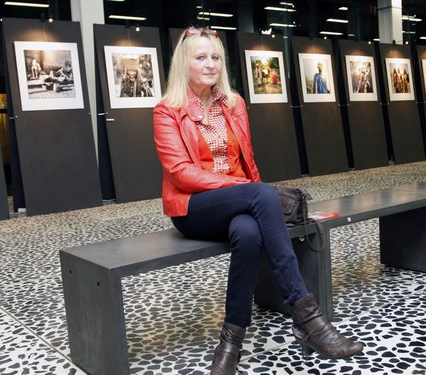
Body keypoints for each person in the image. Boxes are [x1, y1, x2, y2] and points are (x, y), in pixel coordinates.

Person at [153, 27, 363, 375]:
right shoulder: (167, 110)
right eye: (201, 57)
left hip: (238, 199)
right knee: (261, 192)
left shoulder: (233, 103)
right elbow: (179, 172)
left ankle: (230, 342)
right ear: (183, 64)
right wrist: (241, 189)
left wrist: (246, 192)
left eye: (216, 57)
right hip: (193, 207)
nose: (210, 64)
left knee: (249, 234)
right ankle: (309, 319)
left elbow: (246, 162)